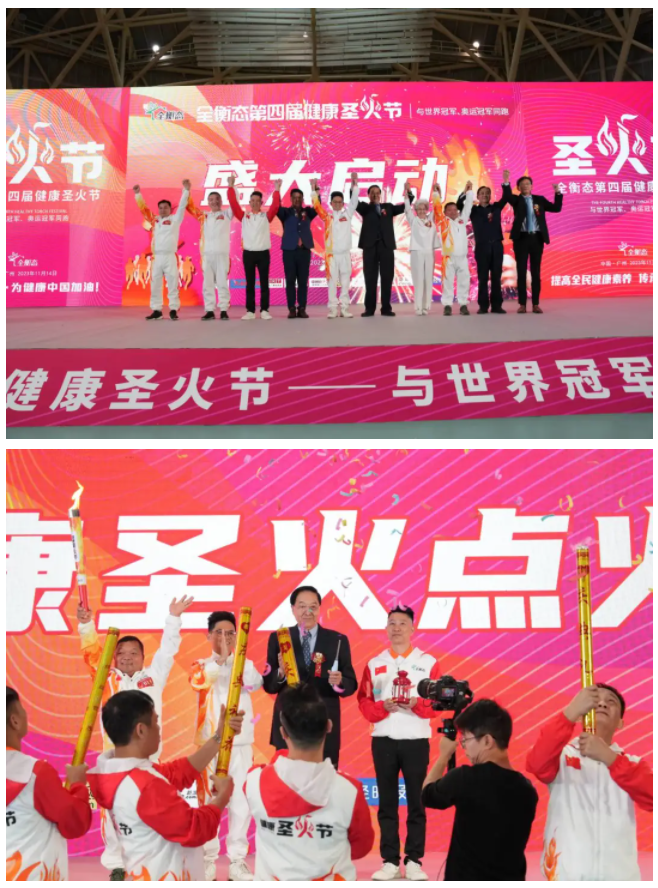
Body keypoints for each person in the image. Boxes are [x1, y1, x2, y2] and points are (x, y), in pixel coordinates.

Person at [76, 595, 194, 880]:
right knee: (113, 814)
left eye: (133, 653)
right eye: (121, 653)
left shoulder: (154, 676)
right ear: (114, 657)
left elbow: (167, 650)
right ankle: (117, 865)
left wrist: (174, 618)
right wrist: (86, 625)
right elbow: (92, 652)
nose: (127, 657)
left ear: (143, 657)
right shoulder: (106, 677)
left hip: (149, 760)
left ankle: (155, 860)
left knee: (154, 810)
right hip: (115, 761)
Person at [87, 690, 242, 881]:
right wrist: (222, 798)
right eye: (156, 722)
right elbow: (194, 829)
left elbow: (178, 773)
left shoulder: (118, 774)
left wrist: (219, 736)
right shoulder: (146, 786)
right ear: (141, 730)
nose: (159, 729)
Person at [244, 682, 374, 880]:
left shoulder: (254, 781)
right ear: (329, 726)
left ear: (283, 733)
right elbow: (361, 847)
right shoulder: (349, 790)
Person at [526, 683, 652, 881]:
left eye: (611, 702)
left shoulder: (632, 763)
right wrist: (570, 712)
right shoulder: (562, 755)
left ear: (620, 723)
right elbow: (536, 764)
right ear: (582, 713)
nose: (602, 704)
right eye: (595, 700)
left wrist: (609, 757)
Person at [357, 605, 441, 881]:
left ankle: (414, 860)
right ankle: (390, 861)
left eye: (402, 623)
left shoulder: (427, 662)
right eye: (392, 623)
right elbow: (364, 701)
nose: (396, 628)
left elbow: (437, 703)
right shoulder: (375, 663)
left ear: (412, 628)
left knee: (417, 802)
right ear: (386, 628)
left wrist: (416, 703)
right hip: (383, 740)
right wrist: (382, 707)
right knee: (387, 802)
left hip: (416, 740)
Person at [422, 698, 538, 881]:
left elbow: (427, 795)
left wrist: (444, 756)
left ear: (487, 741)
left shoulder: (465, 778)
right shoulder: (528, 791)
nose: (464, 746)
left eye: (466, 739)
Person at [189, 610, 264, 881]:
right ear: (208, 635)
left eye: (230, 633)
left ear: (237, 636)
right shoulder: (200, 665)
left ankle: (237, 861)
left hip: (241, 745)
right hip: (210, 745)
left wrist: (235, 660)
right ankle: (207, 860)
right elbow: (199, 682)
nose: (224, 637)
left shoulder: (246, 664)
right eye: (218, 633)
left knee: (241, 803)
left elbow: (255, 683)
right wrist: (219, 660)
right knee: (209, 802)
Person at [263, 585, 357, 767]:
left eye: (313, 606)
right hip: (288, 721)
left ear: (319, 608)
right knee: (287, 778)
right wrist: (280, 673)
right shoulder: (280, 638)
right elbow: (269, 685)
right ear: (293, 609)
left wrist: (339, 682)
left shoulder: (337, 640)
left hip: (324, 721)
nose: (308, 612)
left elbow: (351, 683)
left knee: (325, 778)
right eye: (302, 606)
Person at [6, 687, 92, 881]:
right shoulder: (35, 773)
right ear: (15, 721)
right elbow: (75, 823)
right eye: (22, 709)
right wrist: (78, 784)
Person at [133, 179, 190, 321]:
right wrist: (138, 194)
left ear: (170, 209)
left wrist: (186, 191)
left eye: (165, 207)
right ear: (158, 209)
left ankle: (173, 309)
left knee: (172, 283)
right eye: (161, 208)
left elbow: (182, 206)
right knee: (155, 285)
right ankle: (156, 310)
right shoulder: (154, 220)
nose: (163, 209)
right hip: (156, 258)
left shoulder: (175, 220)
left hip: (170, 257)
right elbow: (144, 209)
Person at [353, 182, 412, 317]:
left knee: (387, 278)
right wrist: (354, 186)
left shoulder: (388, 207)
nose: (375, 195)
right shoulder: (365, 208)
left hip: (386, 246)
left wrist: (408, 193)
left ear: (380, 194)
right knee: (370, 278)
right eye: (372, 193)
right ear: (368, 195)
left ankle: (386, 308)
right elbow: (354, 201)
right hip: (370, 247)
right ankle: (369, 309)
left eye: (377, 192)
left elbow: (405, 207)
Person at [227, 176, 281, 320]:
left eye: (258, 201)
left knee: (264, 283)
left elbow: (275, 206)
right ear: (250, 203)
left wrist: (277, 190)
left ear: (261, 203)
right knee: (250, 283)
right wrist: (231, 186)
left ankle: (264, 310)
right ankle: (250, 311)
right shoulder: (244, 216)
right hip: (249, 254)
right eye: (253, 201)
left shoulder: (266, 216)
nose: (255, 203)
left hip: (263, 254)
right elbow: (233, 204)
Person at [457, 170, 511, 314]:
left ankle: (497, 305)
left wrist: (506, 181)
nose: (485, 195)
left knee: (496, 277)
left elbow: (507, 197)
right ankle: (483, 306)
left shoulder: (496, 207)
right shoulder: (473, 210)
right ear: (478, 196)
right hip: (481, 247)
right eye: (482, 193)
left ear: (490, 195)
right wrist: (465, 192)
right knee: (482, 277)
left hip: (497, 246)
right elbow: (459, 205)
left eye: (487, 193)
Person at [507, 175, 563, 314]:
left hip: (537, 238)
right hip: (521, 239)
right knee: (521, 271)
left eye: (528, 183)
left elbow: (556, 208)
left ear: (531, 186)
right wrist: (506, 181)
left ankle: (536, 304)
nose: (525, 186)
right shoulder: (516, 200)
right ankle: (522, 304)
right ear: (518, 187)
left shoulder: (539, 200)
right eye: (522, 184)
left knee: (535, 272)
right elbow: (507, 196)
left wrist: (558, 193)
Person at [311, 173, 359, 318]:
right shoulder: (327, 217)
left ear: (343, 204)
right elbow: (316, 206)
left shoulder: (347, 215)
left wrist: (354, 184)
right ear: (331, 203)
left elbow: (354, 201)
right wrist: (313, 190)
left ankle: (344, 308)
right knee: (332, 283)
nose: (337, 204)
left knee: (345, 282)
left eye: (340, 202)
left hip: (345, 255)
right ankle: (332, 309)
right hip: (331, 256)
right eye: (335, 202)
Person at [186, 189, 234, 321]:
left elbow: (234, 203)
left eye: (217, 199)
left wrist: (232, 187)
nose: (214, 202)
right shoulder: (203, 216)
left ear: (221, 201)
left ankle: (223, 310)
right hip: (207, 256)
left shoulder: (227, 214)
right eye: (211, 200)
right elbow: (189, 207)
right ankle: (209, 310)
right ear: (208, 202)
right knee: (208, 285)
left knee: (222, 283)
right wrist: (187, 190)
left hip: (222, 255)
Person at [277, 186, 318, 319]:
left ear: (302, 199)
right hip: (289, 251)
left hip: (304, 251)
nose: (297, 200)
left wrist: (314, 190)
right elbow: (276, 207)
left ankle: (302, 308)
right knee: (290, 280)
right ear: (290, 199)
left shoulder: (308, 212)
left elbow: (318, 207)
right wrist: (277, 189)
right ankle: (291, 308)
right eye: (294, 198)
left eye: (299, 198)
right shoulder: (285, 212)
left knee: (302, 281)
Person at [404, 183, 442, 316]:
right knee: (418, 280)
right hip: (417, 252)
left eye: (423, 209)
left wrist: (436, 193)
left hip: (429, 252)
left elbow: (437, 208)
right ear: (415, 210)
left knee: (428, 279)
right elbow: (407, 209)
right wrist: (407, 192)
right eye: (418, 209)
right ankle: (418, 307)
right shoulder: (413, 220)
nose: (421, 211)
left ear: (426, 209)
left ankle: (426, 307)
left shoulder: (430, 219)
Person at [437, 181, 475, 316]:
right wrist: (437, 194)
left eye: (455, 210)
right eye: (450, 210)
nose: (453, 212)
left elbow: (468, 206)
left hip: (462, 257)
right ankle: (447, 305)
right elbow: (436, 208)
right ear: (445, 212)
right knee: (447, 282)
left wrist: (469, 192)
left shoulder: (462, 220)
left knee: (464, 281)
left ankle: (463, 304)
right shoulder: (443, 222)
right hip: (448, 258)